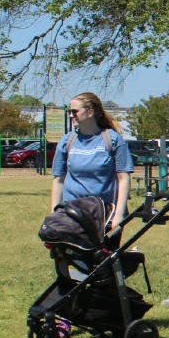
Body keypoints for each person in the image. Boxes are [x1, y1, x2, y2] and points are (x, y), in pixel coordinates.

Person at [49, 92, 133, 236]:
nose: (70, 115)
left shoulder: (113, 140)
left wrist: (118, 216)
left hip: (105, 216)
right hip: (72, 216)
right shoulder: (67, 141)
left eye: (74, 111)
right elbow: (59, 180)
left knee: (104, 257)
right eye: (69, 111)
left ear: (89, 112)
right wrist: (54, 214)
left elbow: (123, 179)